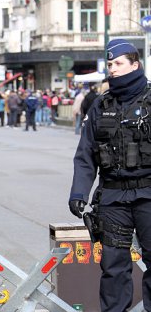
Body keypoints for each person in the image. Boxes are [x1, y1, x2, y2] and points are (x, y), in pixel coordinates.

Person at [69, 38, 151, 311]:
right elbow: (85, 155)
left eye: (118, 63)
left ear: (135, 65)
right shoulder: (101, 106)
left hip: (148, 195)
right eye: (110, 64)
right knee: (114, 268)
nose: (112, 69)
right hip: (113, 198)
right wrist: (79, 193)